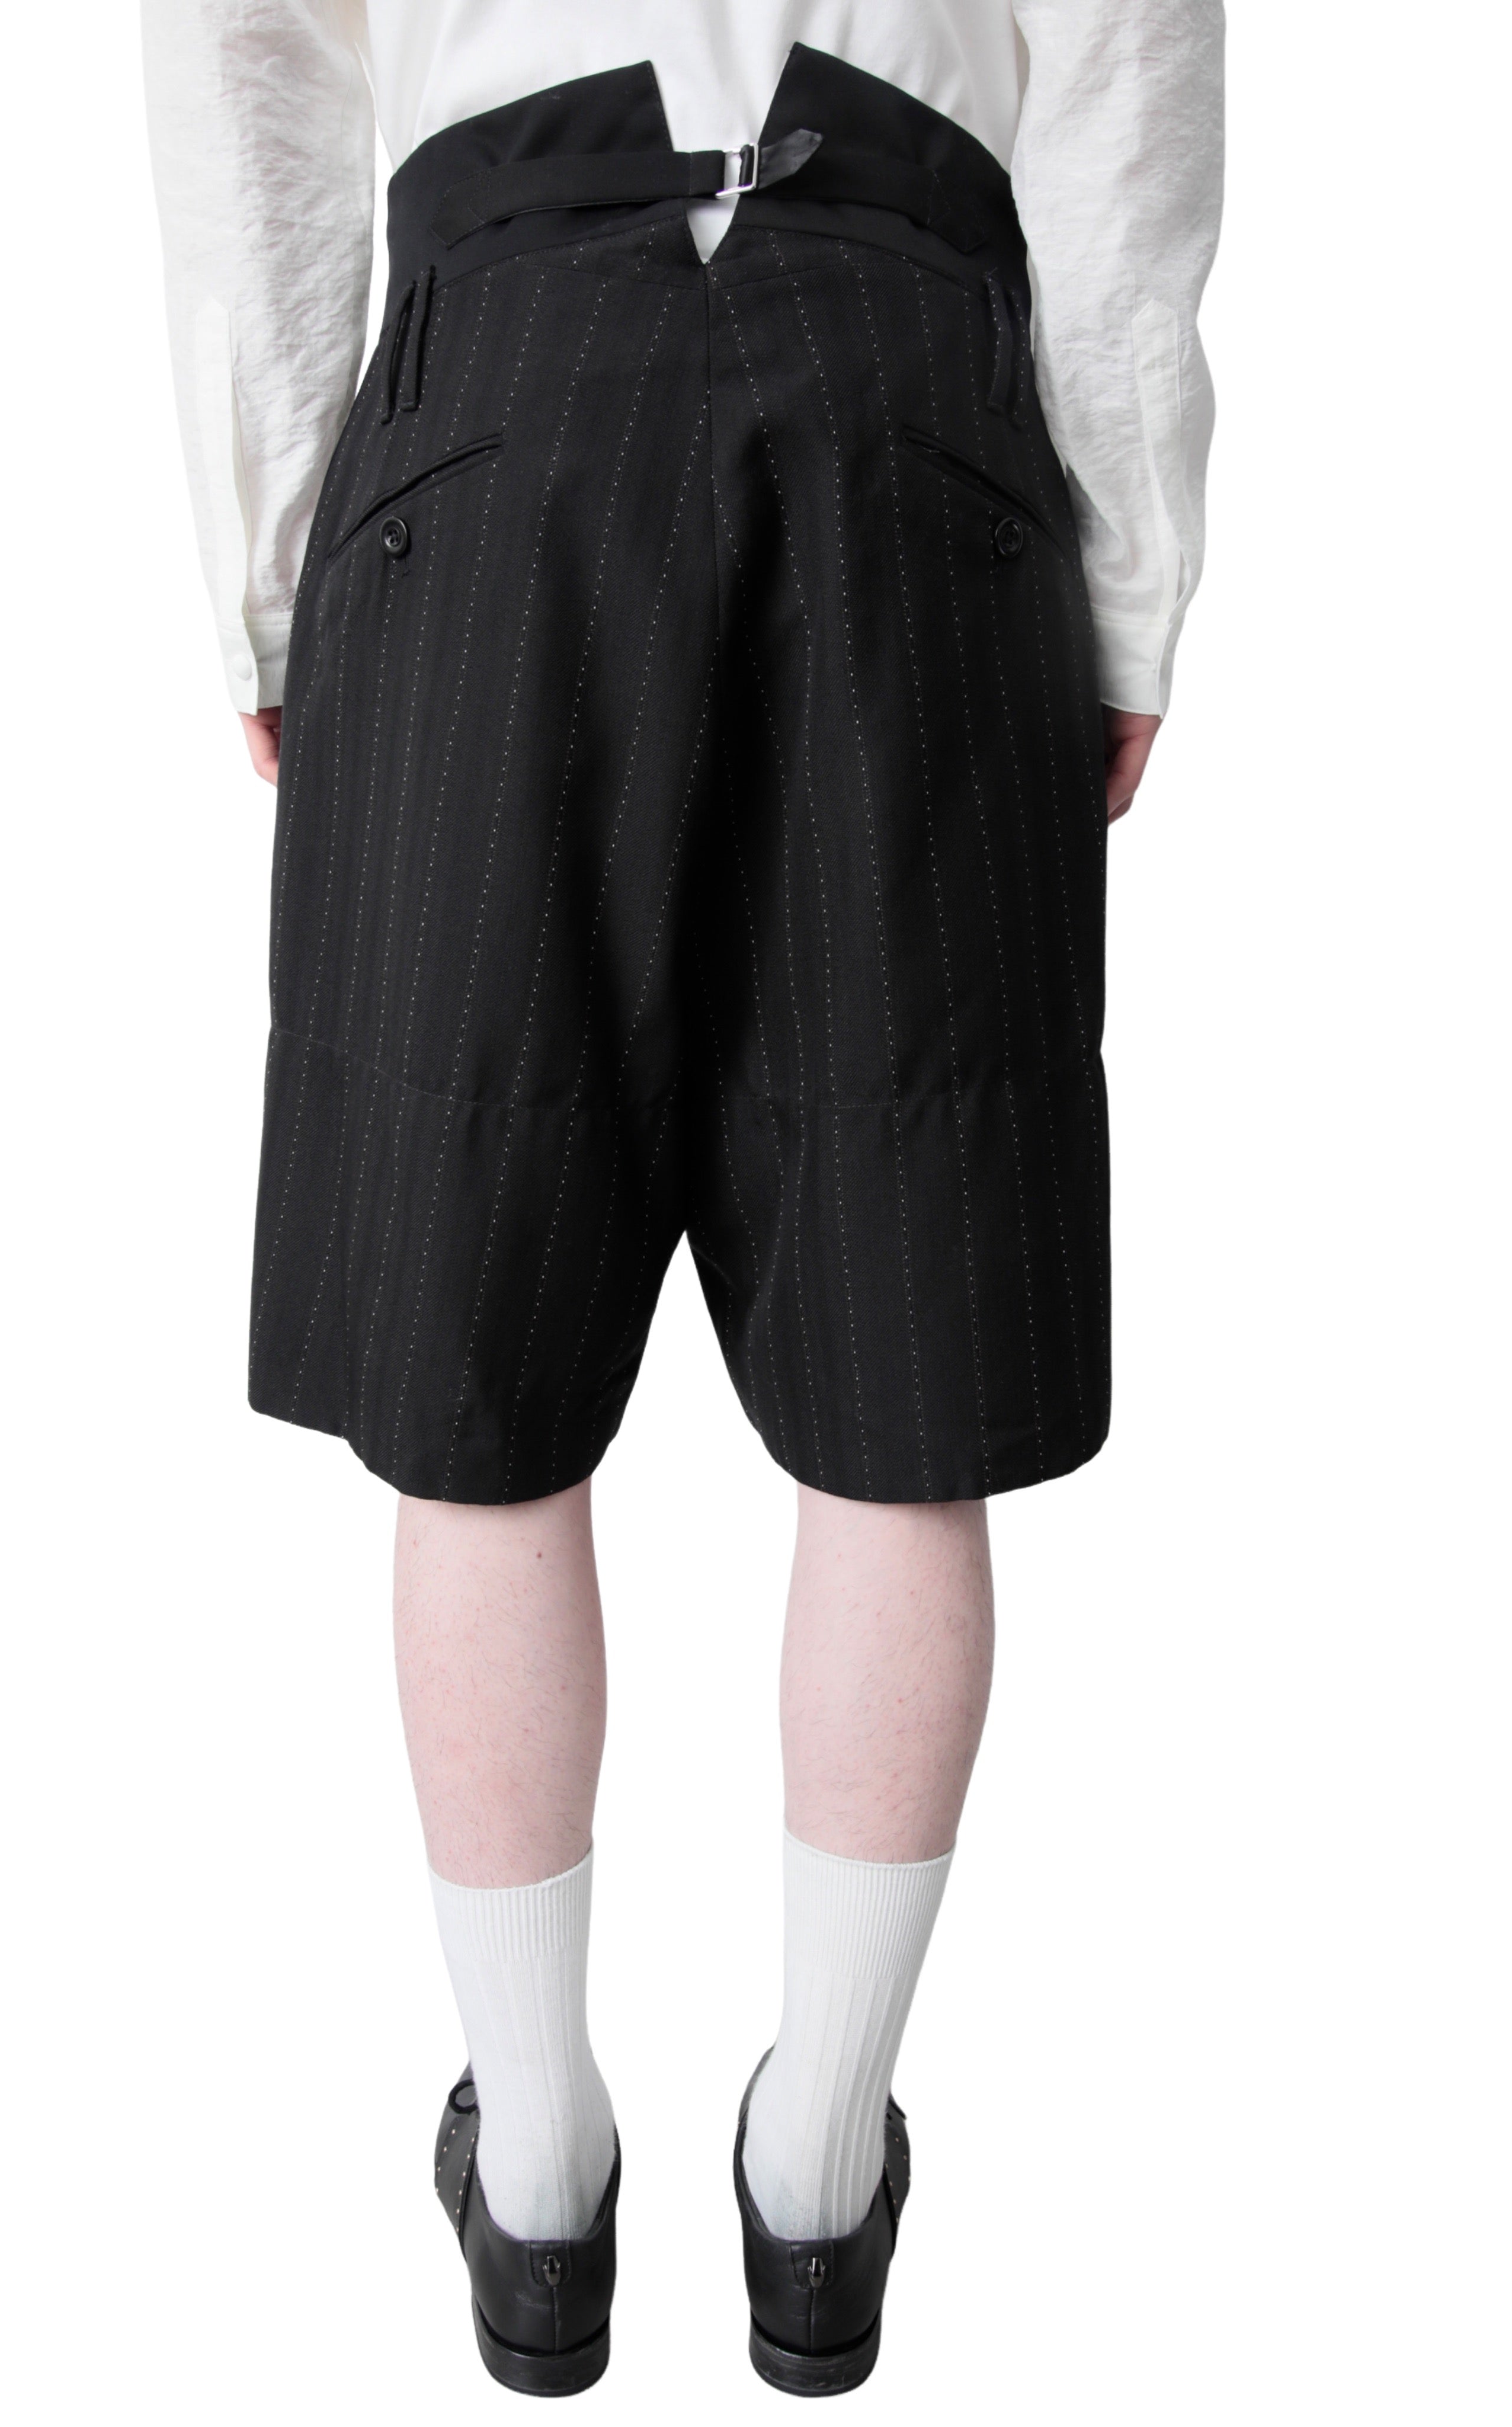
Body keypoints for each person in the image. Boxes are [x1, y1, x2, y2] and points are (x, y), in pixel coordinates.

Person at [143, 1, 1222, 2397]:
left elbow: (246, 71)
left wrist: (273, 557)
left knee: (480, 1378)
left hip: (503, 396)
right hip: (914, 395)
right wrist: (1129, 573)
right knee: (901, 1372)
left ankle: (536, 2180)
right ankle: (817, 2182)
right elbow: (1125, 66)